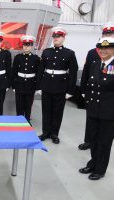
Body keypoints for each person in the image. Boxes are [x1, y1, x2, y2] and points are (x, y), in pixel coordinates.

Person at [79, 37, 114, 180]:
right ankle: (93, 163)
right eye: (101, 48)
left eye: (107, 48)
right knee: (93, 139)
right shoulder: (95, 64)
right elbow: (89, 84)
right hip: (93, 110)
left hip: (109, 112)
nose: (103, 50)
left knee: (104, 142)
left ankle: (100, 169)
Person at [37, 27, 78, 144]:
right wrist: (39, 86)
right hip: (47, 85)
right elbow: (41, 70)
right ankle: (45, 133)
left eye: (58, 37)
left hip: (61, 86)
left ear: (63, 38)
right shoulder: (46, 52)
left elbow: (73, 72)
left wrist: (70, 90)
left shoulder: (70, 53)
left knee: (57, 111)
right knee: (46, 110)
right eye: (54, 37)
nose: (56, 39)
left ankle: (54, 134)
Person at [12, 35, 40, 123]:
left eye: (28, 45)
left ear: (31, 46)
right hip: (19, 83)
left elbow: (38, 73)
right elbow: (14, 72)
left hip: (30, 84)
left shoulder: (36, 58)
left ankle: (27, 120)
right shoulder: (18, 57)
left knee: (28, 104)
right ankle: (18, 121)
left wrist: (37, 86)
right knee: (19, 104)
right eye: (25, 45)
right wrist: (13, 86)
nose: (26, 47)